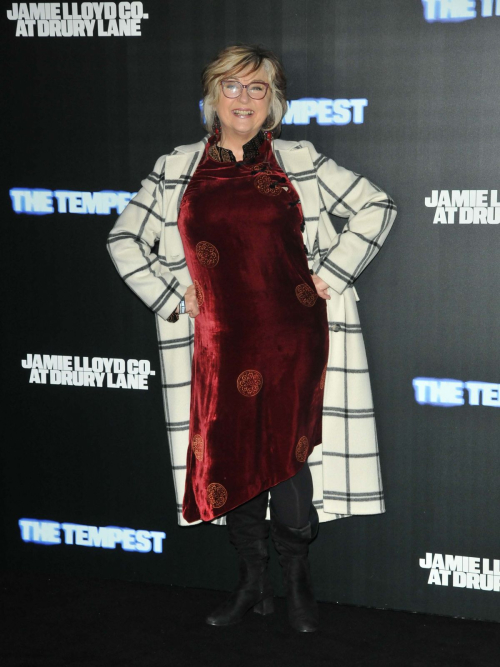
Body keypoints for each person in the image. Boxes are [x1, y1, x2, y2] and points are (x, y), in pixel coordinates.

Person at [107, 44, 397, 633]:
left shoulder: (301, 159)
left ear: (274, 104)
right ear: (212, 98)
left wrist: (330, 273)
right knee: (229, 459)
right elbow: (123, 239)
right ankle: (251, 583)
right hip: (216, 344)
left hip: (292, 336)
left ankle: (297, 584)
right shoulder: (176, 167)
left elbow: (377, 206)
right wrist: (170, 294)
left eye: (257, 89)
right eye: (232, 88)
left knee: (289, 460)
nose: (243, 99)